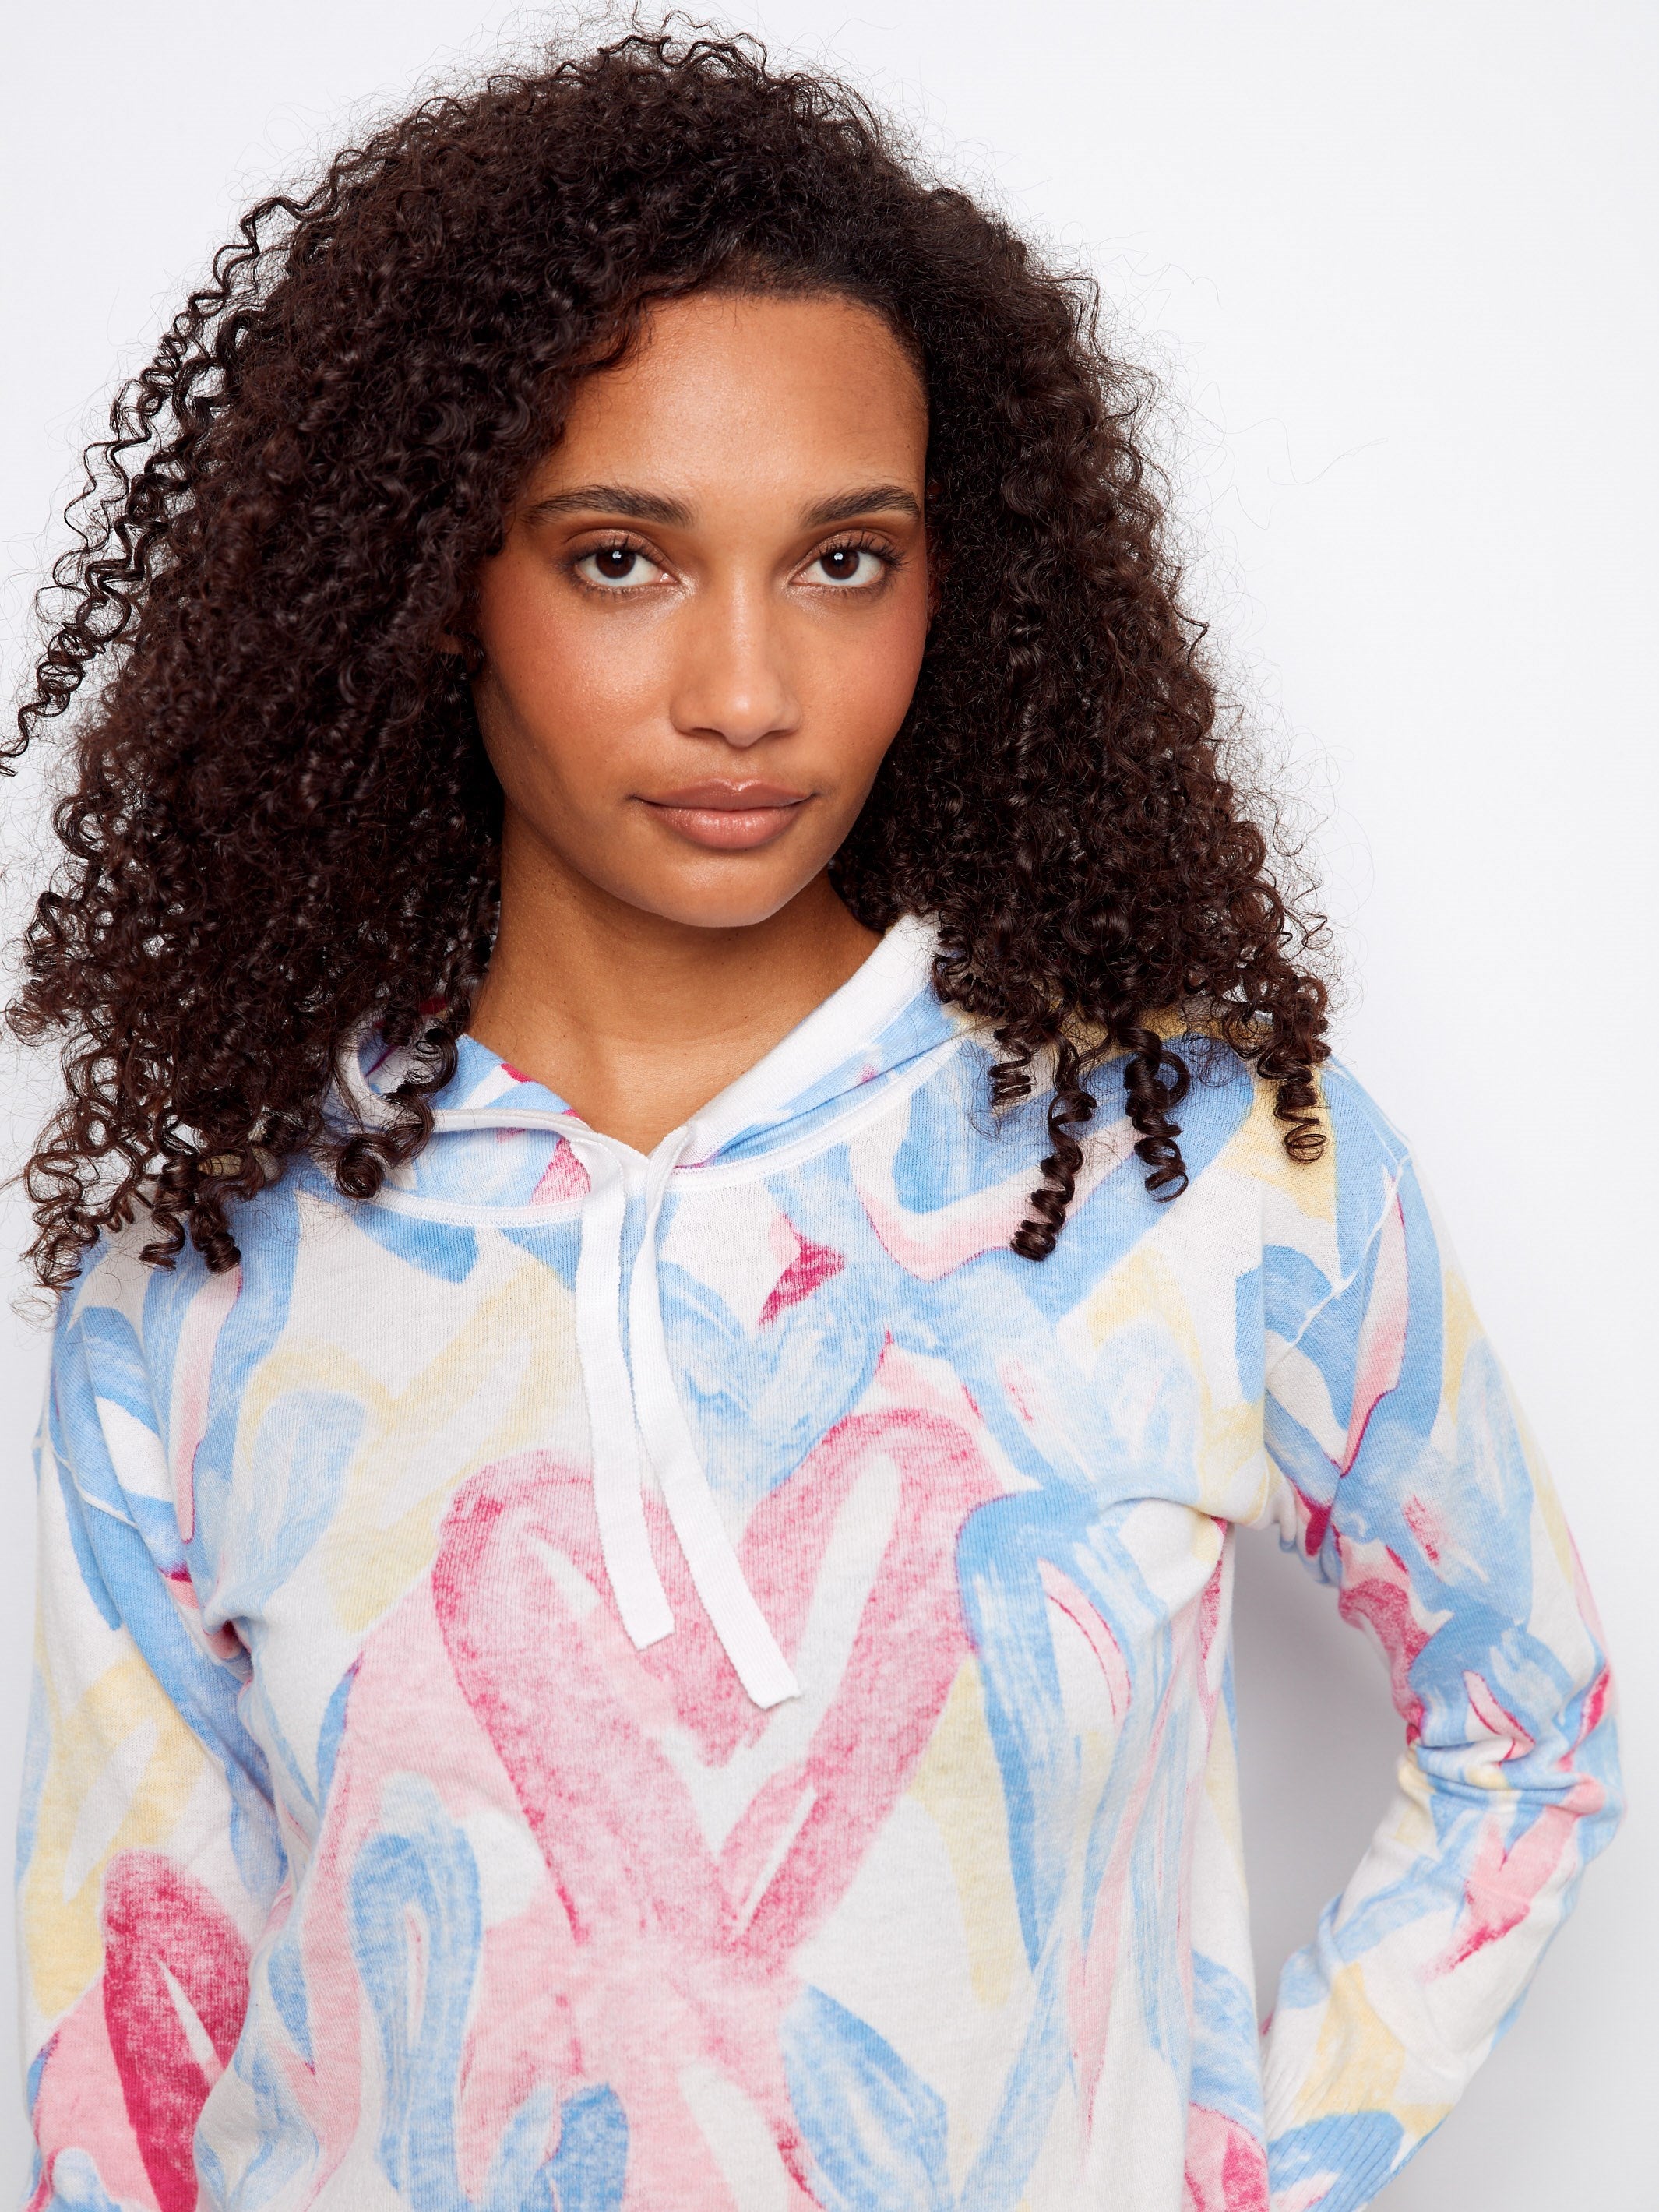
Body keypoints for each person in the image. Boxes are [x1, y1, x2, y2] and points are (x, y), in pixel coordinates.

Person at [5, 30, 1619, 2212]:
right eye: (621, 560)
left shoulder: (1194, 1170)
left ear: (955, 590)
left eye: (844, 561)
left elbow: (1532, 1732)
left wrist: (1231, 2175)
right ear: (433, 584)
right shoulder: (213, 1274)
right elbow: (127, 2038)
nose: (747, 693)